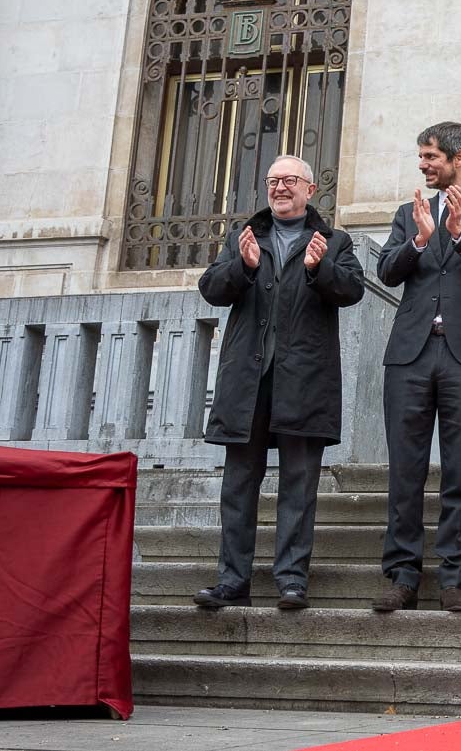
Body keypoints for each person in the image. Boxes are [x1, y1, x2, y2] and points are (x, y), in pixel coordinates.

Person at [193, 155, 366, 610]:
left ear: (311, 189)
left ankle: (291, 580)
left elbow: (351, 291)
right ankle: (233, 580)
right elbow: (211, 288)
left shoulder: (333, 240)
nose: (280, 188)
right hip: (248, 380)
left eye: (290, 180)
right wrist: (244, 266)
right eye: (273, 181)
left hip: (304, 380)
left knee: (298, 485)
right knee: (238, 484)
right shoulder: (244, 237)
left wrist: (317, 268)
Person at [372, 123, 461, 614]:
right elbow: (386, 271)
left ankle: (454, 575)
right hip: (410, 354)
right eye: (421, 156)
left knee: (459, 468)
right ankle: (403, 575)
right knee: (404, 471)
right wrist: (418, 241)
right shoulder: (406, 214)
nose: (423, 164)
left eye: (431, 156)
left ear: (459, 157)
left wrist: (459, 233)